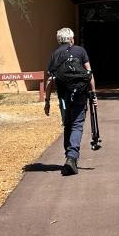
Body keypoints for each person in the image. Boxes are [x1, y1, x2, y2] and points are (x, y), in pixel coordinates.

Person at [43, 27, 96, 175]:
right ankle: (72, 157)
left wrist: (46, 101)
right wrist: (93, 93)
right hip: (79, 93)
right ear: (71, 39)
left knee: (67, 124)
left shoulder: (55, 55)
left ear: (59, 40)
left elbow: (50, 81)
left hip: (63, 97)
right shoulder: (80, 51)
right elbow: (89, 73)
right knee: (77, 125)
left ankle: (69, 156)